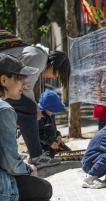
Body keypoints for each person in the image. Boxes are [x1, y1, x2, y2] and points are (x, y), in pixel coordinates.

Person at [0, 30, 70, 168]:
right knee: (29, 109)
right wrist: (35, 107)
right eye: (57, 74)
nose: (54, 77)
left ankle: (25, 154)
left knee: (24, 111)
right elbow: (25, 88)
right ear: (55, 65)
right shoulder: (39, 58)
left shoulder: (38, 54)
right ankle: (36, 156)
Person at [0, 53, 52, 201]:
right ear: (3, 80)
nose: (24, 84)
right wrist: (29, 169)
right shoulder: (4, 110)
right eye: (19, 78)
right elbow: (11, 164)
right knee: (44, 189)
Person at [38, 90, 71, 158]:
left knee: (69, 152)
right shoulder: (40, 117)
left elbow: (53, 128)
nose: (54, 112)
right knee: (52, 156)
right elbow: (39, 134)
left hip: (53, 141)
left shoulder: (51, 114)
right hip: (43, 145)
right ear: (45, 108)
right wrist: (50, 143)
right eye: (52, 110)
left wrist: (58, 135)